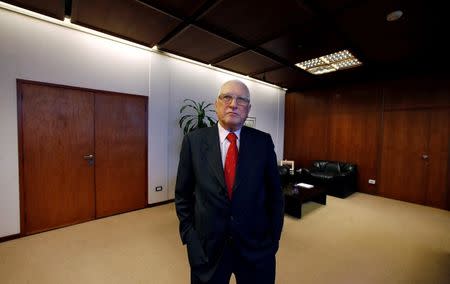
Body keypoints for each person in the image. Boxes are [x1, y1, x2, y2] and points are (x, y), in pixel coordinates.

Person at [175, 80, 284, 284]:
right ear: (217, 103)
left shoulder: (263, 142)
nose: (234, 104)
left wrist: (273, 240)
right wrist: (190, 237)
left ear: (248, 108)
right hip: (207, 251)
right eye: (227, 97)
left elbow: (275, 195)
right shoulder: (193, 141)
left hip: (256, 250)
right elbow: (183, 195)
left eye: (241, 100)